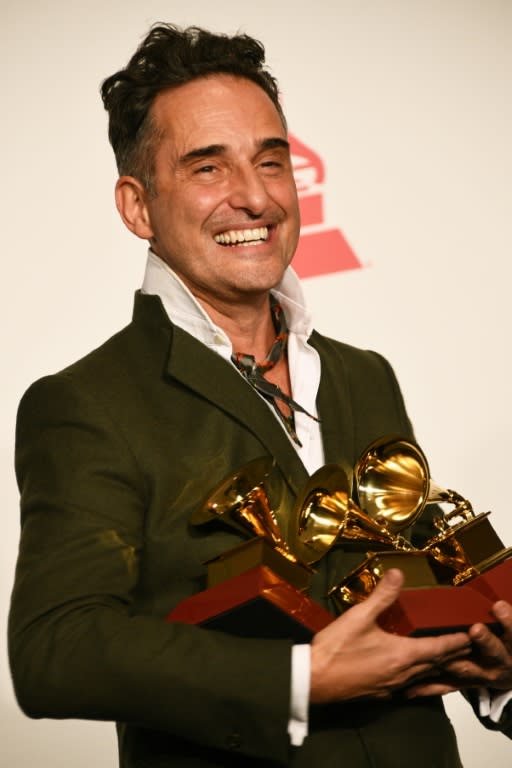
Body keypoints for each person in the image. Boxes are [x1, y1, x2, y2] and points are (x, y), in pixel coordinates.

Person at [8, 23, 512, 768]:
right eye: (208, 168)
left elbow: (406, 589)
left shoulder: (365, 374)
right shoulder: (84, 403)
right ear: (138, 206)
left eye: (270, 161)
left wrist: (495, 669)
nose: (254, 197)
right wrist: (300, 681)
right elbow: (56, 650)